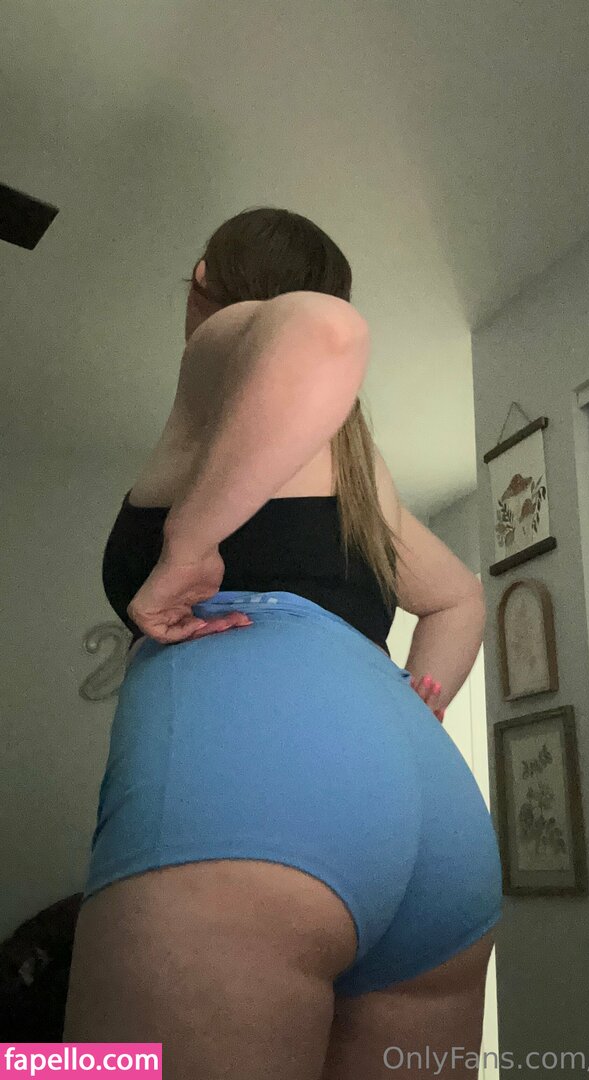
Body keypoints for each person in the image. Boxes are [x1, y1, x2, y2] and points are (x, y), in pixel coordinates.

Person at [63, 207, 503, 1078]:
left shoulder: (218, 342)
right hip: (441, 833)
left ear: (202, 278)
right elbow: (460, 598)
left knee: (88, 1070)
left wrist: (189, 542)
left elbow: (327, 332)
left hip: (251, 782)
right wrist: (415, 705)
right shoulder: (356, 471)